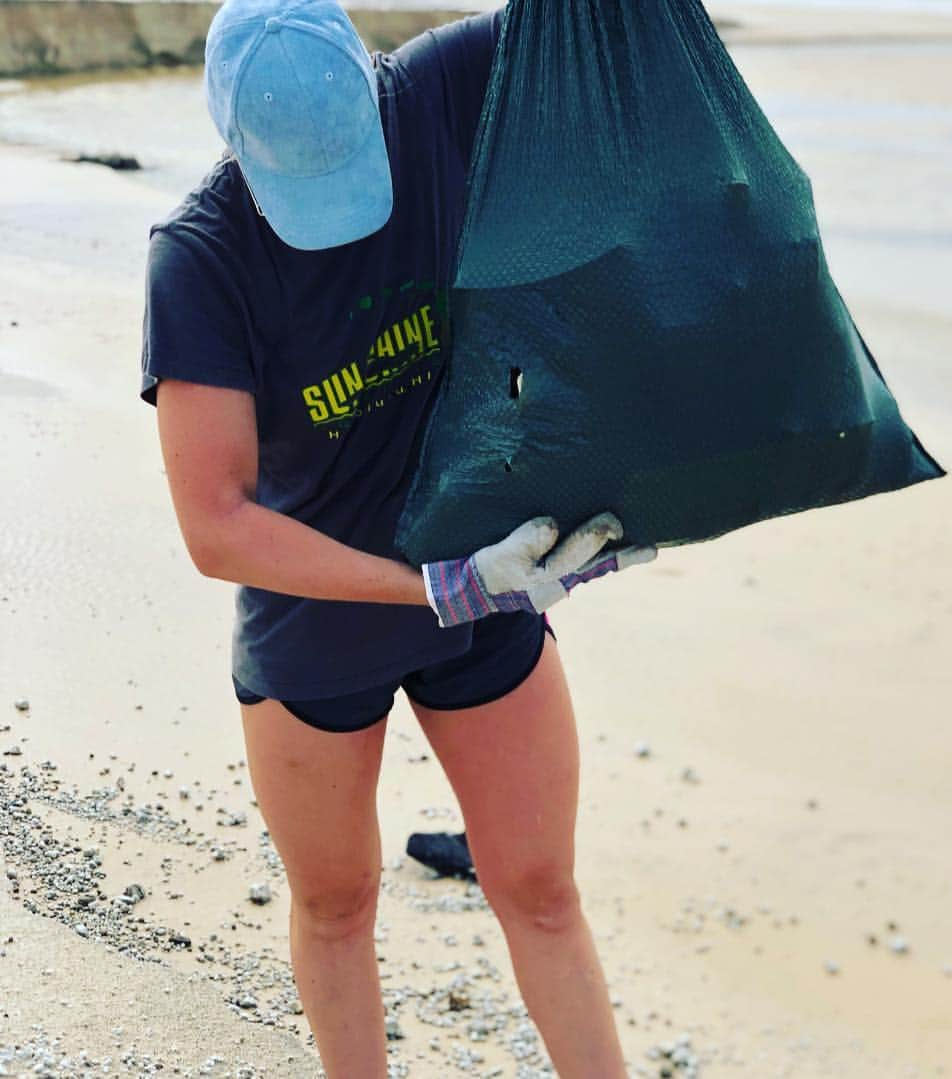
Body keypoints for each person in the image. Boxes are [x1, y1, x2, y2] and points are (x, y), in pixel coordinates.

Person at [140, 0, 656, 1075]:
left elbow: (611, 25)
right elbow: (217, 527)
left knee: (542, 889)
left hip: (489, 578)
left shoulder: (444, 85)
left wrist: (657, 469)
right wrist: (433, 586)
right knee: (336, 901)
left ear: (379, 83)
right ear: (235, 144)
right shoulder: (200, 259)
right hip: (318, 617)